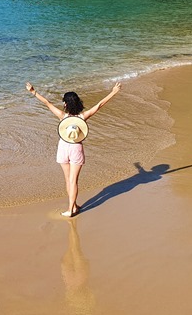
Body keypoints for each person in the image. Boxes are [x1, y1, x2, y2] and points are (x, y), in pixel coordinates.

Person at [25, 81, 122, 217]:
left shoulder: (62, 116)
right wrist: (113, 92)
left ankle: (71, 210)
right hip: (76, 148)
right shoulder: (83, 117)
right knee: (73, 180)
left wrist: (33, 91)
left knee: (68, 180)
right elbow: (99, 105)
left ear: (65, 104)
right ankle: (73, 206)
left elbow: (47, 103)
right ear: (78, 103)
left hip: (63, 147)